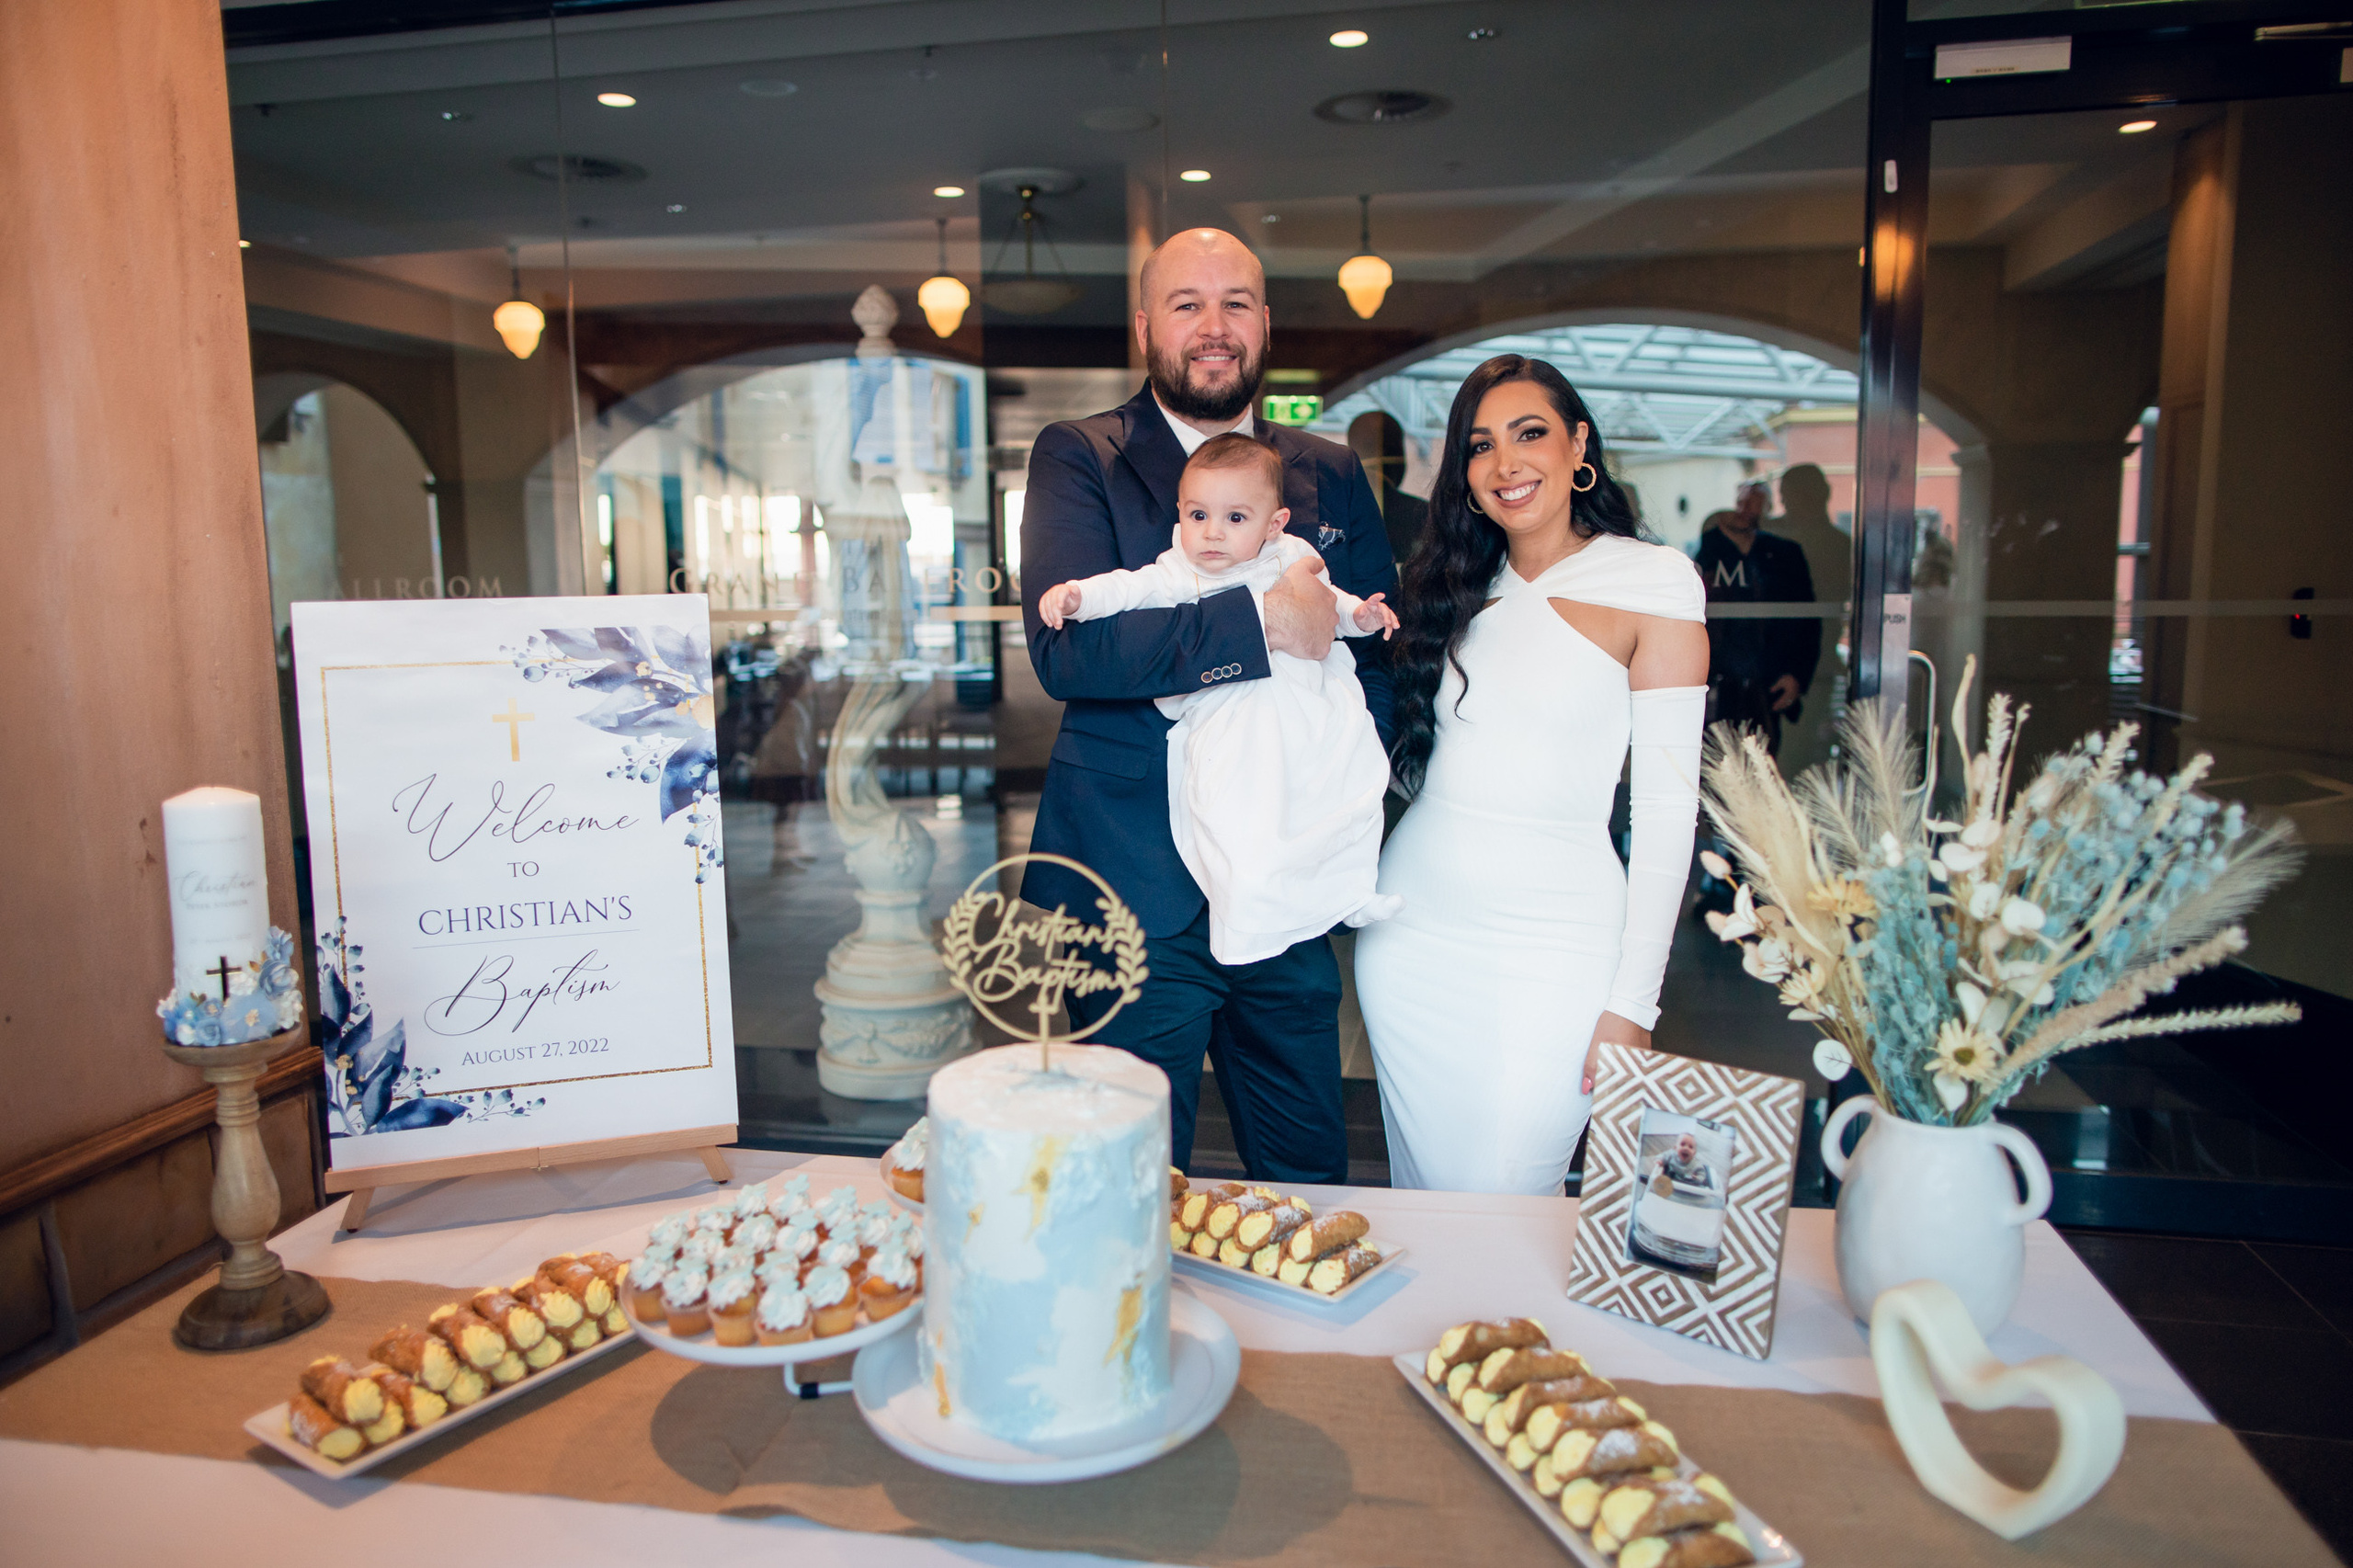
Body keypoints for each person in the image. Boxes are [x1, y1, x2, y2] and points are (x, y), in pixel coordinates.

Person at [1020, 227, 1398, 1183]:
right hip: (1131, 881)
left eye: (1235, 303)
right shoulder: (1080, 457)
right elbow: (1072, 650)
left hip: (1284, 879)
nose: (1214, 326)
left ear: (1265, 324)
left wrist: (1337, 796)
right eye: (1187, 304)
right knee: (1129, 1180)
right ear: (1147, 325)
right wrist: (1263, 621)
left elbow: (1381, 656)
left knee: (1306, 1166)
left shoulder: (1330, 471)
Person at [1355, 355, 1709, 1194]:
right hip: (1413, 942)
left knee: (1509, 1199)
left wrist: (1634, 1004)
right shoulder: (1449, 588)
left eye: (1530, 434)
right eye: (1481, 446)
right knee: (1429, 1207)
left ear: (1578, 443)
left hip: (1560, 949)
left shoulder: (1654, 582)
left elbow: (1666, 814)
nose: (1506, 463)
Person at [1038, 431, 1401, 965]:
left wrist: (1361, 616)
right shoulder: (1177, 569)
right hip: (1230, 715)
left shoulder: (1292, 553)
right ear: (1180, 516)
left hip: (1308, 710)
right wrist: (1076, 596)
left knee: (1350, 779)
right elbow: (1124, 589)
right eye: (1198, 516)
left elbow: (1334, 604)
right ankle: (1247, 913)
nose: (1212, 533)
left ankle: (1348, 892)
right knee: (1239, 813)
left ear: (1274, 523)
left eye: (1235, 519)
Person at [1692, 479, 1816, 756]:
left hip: (1770, 680)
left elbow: (1807, 621)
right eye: (1739, 502)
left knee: (1767, 767)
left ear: (1770, 507)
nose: (1745, 509)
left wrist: (1797, 675)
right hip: (1719, 681)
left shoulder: (1786, 553)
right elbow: (1699, 604)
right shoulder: (1713, 550)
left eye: (1754, 501)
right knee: (1716, 766)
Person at [1649, 1131, 1717, 1195]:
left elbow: (1702, 1175)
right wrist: (1659, 1160)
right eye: (1682, 1144)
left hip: (1688, 1188)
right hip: (1670, 1184)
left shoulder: (1697, 1165)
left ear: (1694, 1153)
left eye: (1690, 1147)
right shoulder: (1672, 1155)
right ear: (1675, 1148)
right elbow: (1663, 1156)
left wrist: (1697, 1178)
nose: (1686, 1148)